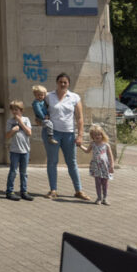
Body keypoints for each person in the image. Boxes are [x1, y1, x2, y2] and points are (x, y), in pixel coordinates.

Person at [44, 72, 90, 200]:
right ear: (57, 83)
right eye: (60, 82)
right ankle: (53, 190)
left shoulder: (74, 97)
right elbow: (42, 112)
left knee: (72, 162)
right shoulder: (49, 96)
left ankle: (78, 190)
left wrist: (80, 135)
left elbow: (80, 118)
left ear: (68, 83)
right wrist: (41, 119)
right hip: (53, 134)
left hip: (69, 134)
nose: (63, 84)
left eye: (65, 82)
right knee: (52, 162)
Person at [4, 100, 33, 201]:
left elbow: (29, 132)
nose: (14, 112)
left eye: (16, 110)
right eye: (12, 110)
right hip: (15, 151)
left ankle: (24, 191)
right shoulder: (10, 121)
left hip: (25, 151)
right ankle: (9, 191)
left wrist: (20, 122)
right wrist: (13, 130)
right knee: (13, 171)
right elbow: (7, 136)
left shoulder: (26, 120)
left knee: (24, 172)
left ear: (21, 110)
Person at [81, 123, 116, 205]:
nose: (97, 136)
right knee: (98, 183)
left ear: (102, 135)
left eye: (99, 134)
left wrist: (112, 166)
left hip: (105, 167)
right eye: (95, 135)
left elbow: (111, 157)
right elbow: (87, 151)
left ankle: (105, 198)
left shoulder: (106, 145)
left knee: (105, 183)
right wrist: (80, 146)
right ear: (92, 136)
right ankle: (99, 198)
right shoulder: (92, 144)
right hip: (96, 166)